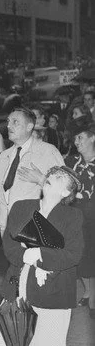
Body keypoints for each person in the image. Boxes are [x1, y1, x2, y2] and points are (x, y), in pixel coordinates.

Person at [0, 167, 83, 346]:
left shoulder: (72, 216)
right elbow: (9, 242)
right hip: (21, 282)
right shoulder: (22, 207)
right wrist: (24, 256)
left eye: (58, 179)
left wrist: (40, 255)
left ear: (66, 192)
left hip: (55, 287)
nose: (49, 179)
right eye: (49, 176)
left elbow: (74, 254)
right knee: (28, 342)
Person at [0, 109, 64, 242]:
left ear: (29, 127)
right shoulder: (4, 156)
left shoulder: (48, 152)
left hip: (35, 231)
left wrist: (42, 180)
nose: (8, 126)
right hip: (6, 231)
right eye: (8, 122)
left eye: (15, 122)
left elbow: (67, 191)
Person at [67, 124, 95, 318]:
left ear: (92, 139)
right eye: (75, 139)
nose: (77, 143)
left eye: (81, 138)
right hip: (78, 214)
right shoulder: (73, 162)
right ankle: (87, 291)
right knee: (81, 253)